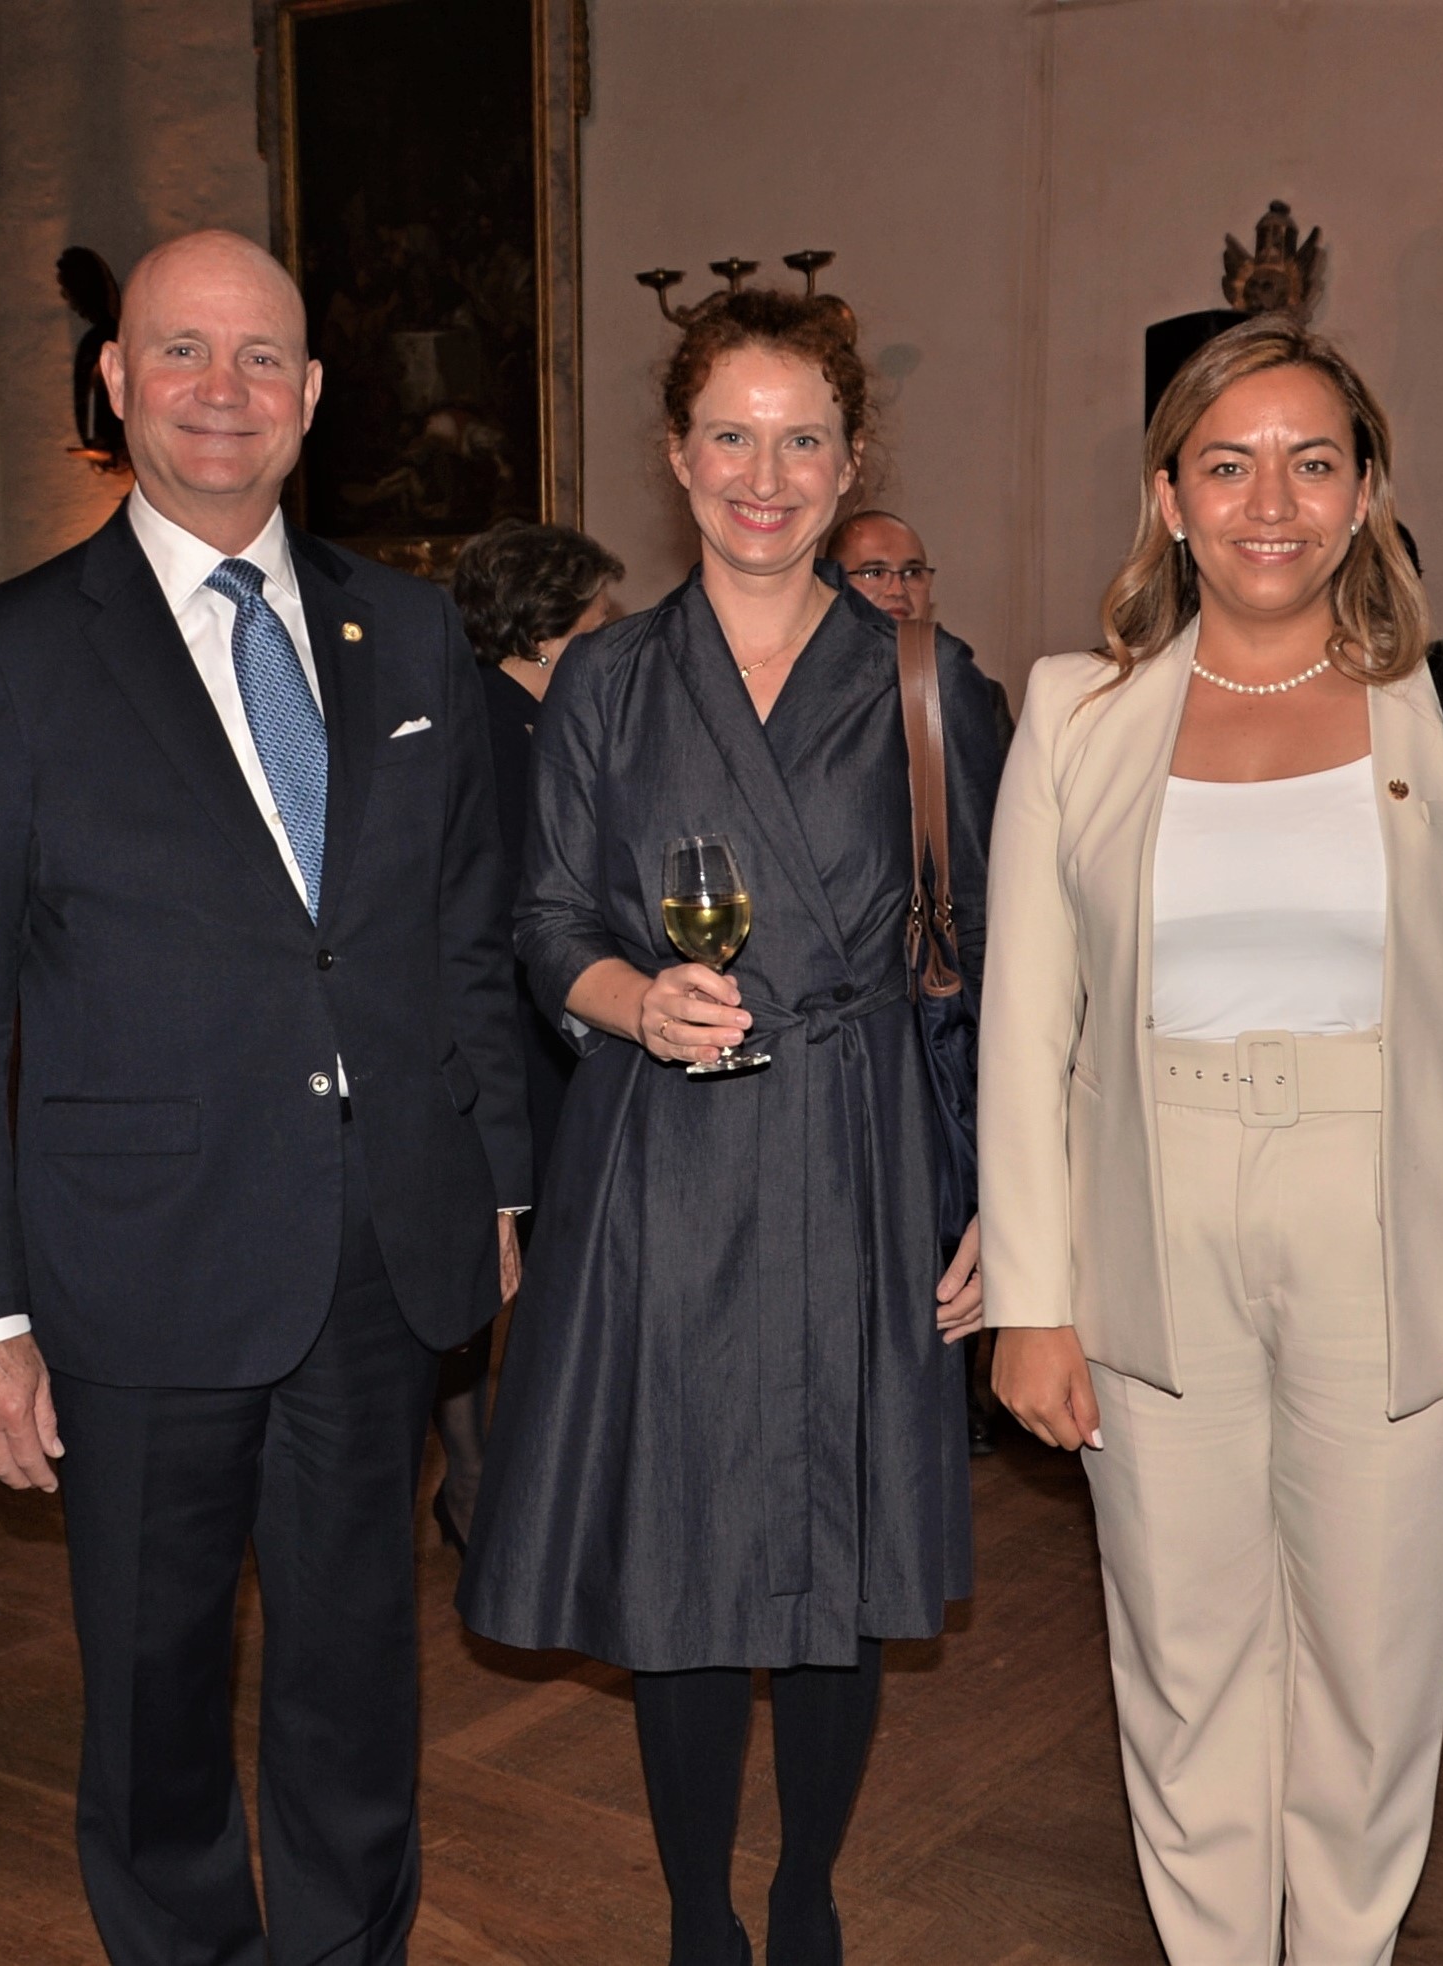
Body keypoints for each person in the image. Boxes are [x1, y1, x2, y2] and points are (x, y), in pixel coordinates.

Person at [0, 229, 530, 1966]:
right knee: (155, 1693)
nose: (223, 391)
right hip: (137, 1267)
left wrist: (493, 1183)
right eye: (182, 350)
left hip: (373, 1257)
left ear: (312, 394)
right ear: (115, 381)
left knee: (356, 1678)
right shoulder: (10, 656)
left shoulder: (409, 631)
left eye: (261, 358)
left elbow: (461, 940)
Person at [980, 315, 1443, 1963]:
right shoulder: (1076, 713)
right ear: (1168, 496)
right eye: (1228, 464)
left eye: (1312, 463)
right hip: (1148, 1216)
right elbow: (1027, 1030)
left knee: (1372, 1673)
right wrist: (1032, 1296)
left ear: (1365, 491)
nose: (1270, 503)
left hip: (1393, 1221)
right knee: (1182, 1662)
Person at [459, 287, 1002, 1966]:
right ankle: (699, 1908)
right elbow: (546, 921)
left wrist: (1001, 1202)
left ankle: (805, 1887)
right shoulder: (609, 680)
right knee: (683, 1557)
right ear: (676, 456)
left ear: (851, 461)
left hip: (858, 1150)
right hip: (663, 1162)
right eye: (731, 439)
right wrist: (632, 997)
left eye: (801, 441)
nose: (764, 478)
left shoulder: (927, 684)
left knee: (836, 1561)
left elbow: (986, 966)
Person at [430, 518, 625, 1553]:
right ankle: (480, 1487)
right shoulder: (494, 728)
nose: (614, 631)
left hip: (537, 1029)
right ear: (549, 628)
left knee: (522, 1272)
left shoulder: (534, 716)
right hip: (510, 1035)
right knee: (498, 1272)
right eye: (601, 615)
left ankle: (499, 1485)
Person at [825, 507, 1009, 1455]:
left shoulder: (948, 679)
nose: (896, 588)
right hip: (815, 1012)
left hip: (917, 1000)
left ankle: (934, 1413)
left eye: (911, 570)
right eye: (873, 573)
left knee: (927, 1220)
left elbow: (977, 869)